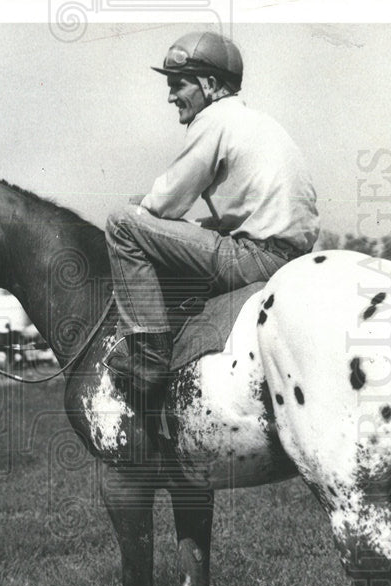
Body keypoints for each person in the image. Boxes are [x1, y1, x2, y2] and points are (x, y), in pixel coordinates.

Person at [103, 31, 320, 396]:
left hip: (256, 258)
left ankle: (149, 359)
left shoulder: (212, 120)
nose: (171, 96)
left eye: (178, 84)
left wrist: (141, 205)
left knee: (123, 221)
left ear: (210, 84)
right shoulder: (255, 121)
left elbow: (166, 202)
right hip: (292, 256)